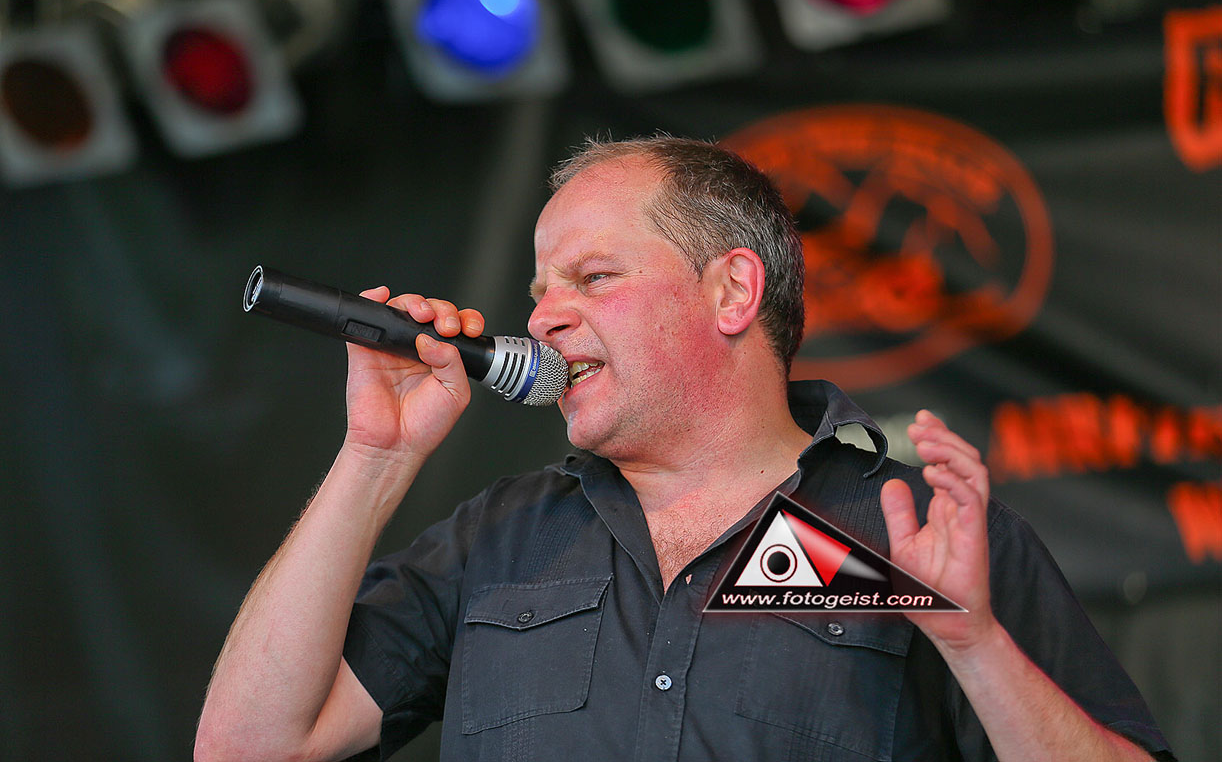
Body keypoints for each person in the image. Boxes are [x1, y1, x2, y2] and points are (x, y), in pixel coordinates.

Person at [195, 137, 1174, 762]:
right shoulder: (497, 539)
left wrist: (973, 641)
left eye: (593, 276)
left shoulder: (912, 533)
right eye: (540, 290)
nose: (545, 316)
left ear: (731, 291)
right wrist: (375, 454)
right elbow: (246, 747)